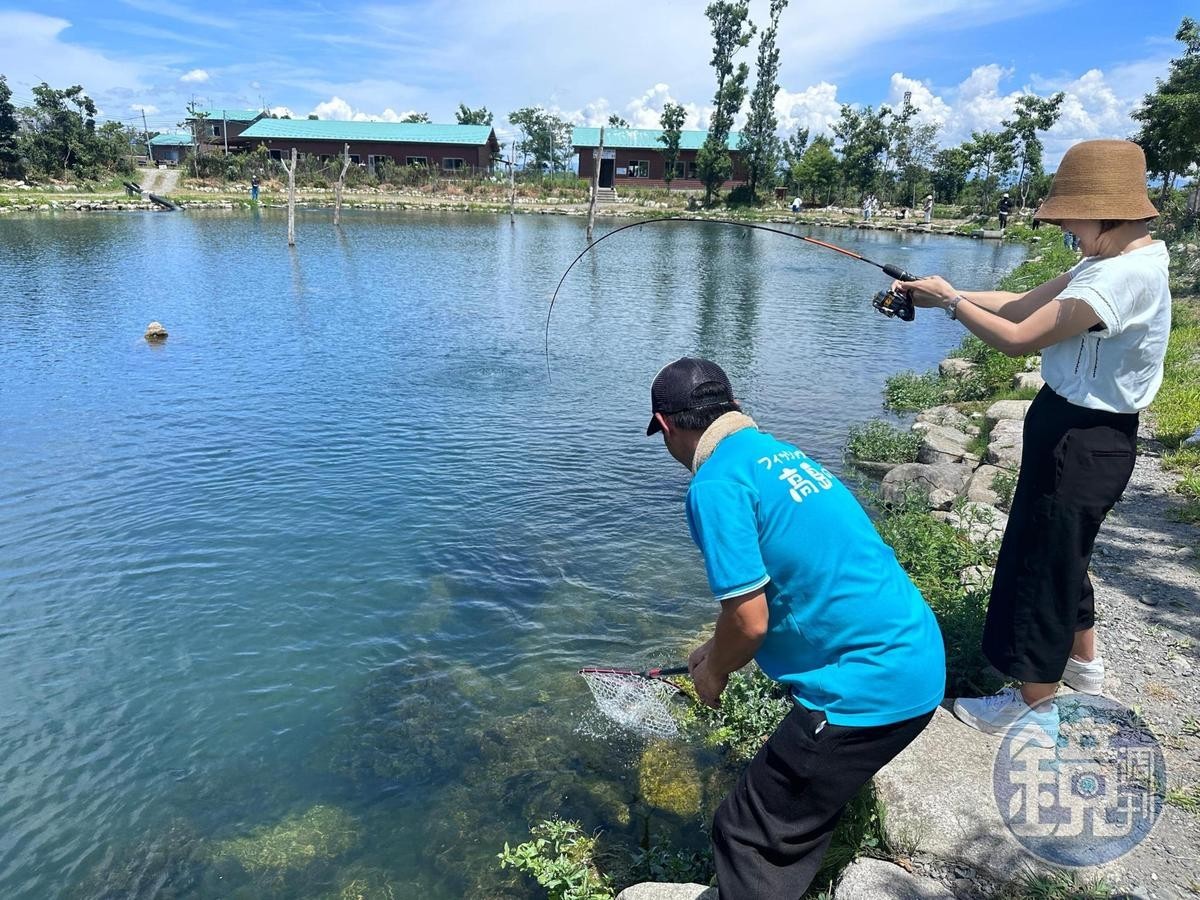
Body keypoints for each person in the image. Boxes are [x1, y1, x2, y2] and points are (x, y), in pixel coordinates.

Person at [889, 139, 1171, 746]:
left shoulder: (1122, 276)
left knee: (1042, 563)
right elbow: (1019, 305)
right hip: (1074, 427)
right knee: (1067, 554)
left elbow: (1018, 337)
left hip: (1084, 436)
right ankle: (1084, 668)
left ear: (1108, 210)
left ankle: (1032, 708)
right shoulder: (1106, 261)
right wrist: (936, 293)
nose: (1065, 225)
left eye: (1070, 214)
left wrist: (955, 303)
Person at [646, 357, 946, 898]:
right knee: (793, 814)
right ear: (731, 406)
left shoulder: (714, 485)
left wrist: (713, 672)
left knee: (745, 833)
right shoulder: (779, 454)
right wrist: (713, 646)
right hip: (916, 659)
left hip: (867, 690)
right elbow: (783, 588)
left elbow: (750, 619)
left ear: (666, 426)